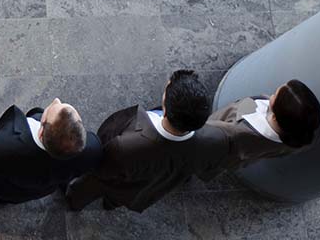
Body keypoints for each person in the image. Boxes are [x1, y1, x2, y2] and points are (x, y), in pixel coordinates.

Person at [65, 69, 229, 213]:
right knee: (119, 198)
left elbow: (102, 171)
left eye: (166, 90)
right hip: (145, 190)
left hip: (118, 182)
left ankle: (75, 203)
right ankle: (110, 205)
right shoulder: (213, 140)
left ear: (165, 110)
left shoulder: (125, 146)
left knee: (90, 189)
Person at [0, 97, 102, 205]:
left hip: (2, 182)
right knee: (13, 195)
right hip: (36, 189)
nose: (56, 100)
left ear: (42, 131)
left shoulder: (4, 146)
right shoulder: (93, 147)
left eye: (51, 110)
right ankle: (5, 200)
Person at [207, 79, 320, 169]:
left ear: (278, 114)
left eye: (275, 95)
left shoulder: (238, 130)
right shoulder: (303, 135)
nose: (271, 96)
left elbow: (208, 131)